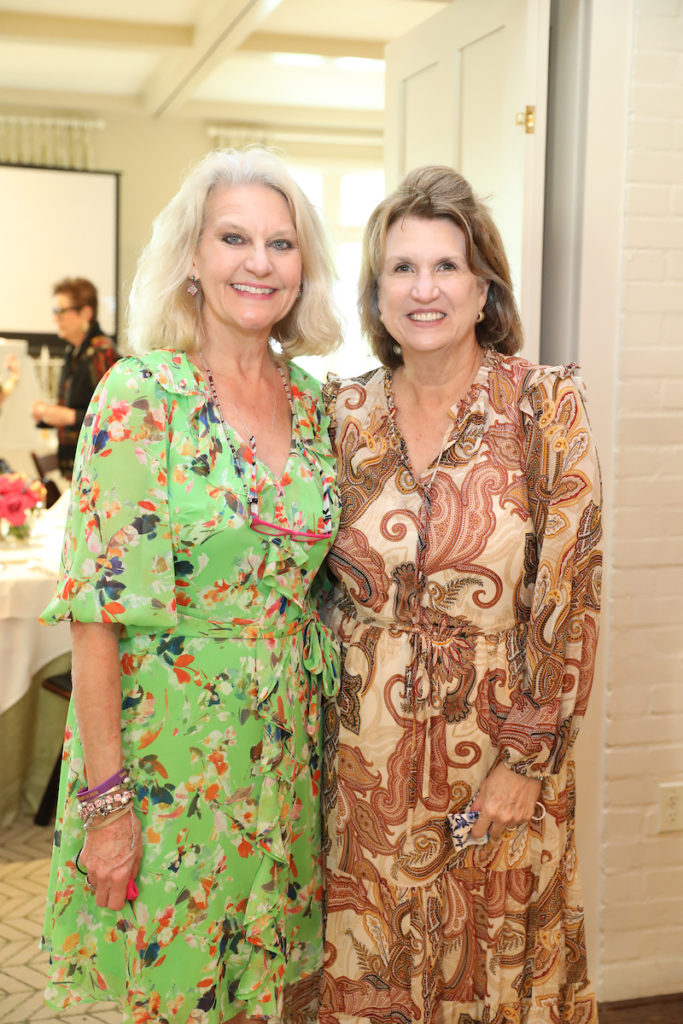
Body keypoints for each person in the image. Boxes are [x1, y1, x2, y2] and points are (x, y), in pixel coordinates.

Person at [40, 147, 342, 1024]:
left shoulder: (316, 403)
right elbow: (96, 617)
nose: (258, 262)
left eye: (280, 244)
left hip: (287, 754)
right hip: (168, 756)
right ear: (192, 260)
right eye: (234, 238)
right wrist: (108, 806)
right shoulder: (143, 395)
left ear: (303, 266)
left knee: (266, 997)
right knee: (176, 996)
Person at [319, 165, 602, 1024]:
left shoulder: (545, 405)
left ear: (483, 287)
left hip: (498, 754)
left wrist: (523, 762)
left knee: (490, 983)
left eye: (445, 266)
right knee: (370, 977)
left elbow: (569, 596)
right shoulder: (340, 413)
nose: (423, 288)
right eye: (401, 268)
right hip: (359, 763)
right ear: (376, 293)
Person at [31, 277, 119, 478]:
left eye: (60, 312)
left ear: (86, 313)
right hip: (76, 466)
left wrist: (68, 416)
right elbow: (78, 408)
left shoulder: (101, 353)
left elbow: (114, 415)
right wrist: (48, 415)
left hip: (97, 470)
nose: (55, 319)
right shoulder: (74, 351)